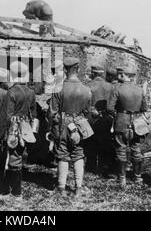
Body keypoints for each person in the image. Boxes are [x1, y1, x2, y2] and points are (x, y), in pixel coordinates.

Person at [48, 57, 92, 198]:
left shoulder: (58, 88)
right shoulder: (86, 90)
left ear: (65, 71)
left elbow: (52, 112)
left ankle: (61, 188)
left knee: (62, 154)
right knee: (78, 154)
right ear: (78, 69)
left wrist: (51, 129)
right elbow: (88, 112)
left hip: (62, 124)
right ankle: (78, 188)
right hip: (79, 124)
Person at [0, 61, 37, 198]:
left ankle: (13, 191)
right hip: (25, 129)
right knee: (17, 157)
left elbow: (6, 116)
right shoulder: (31, 92)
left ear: (13, 74)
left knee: (10, 158)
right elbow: (34, 114)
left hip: (12, 130)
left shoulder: (11, 92)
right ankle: (13, 190)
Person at [107, 67, 148, 189]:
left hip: (121, 121)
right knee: (136, 149)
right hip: (136, 123)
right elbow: (144, 108)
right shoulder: (140, 90)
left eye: (120, 74)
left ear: (123, 75)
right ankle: (138, 177)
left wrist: (117, 114)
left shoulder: (117, 89)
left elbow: (110, 108)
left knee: (121, 149)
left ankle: (122, 178)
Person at [86, 65, 116, 178]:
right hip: (106, 118)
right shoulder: (111, 87)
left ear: (93, 74)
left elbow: (86, 103)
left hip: (91, 119)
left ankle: (90, 166)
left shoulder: (88, 85)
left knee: (91, 142)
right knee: (105, 143)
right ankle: (103, 167)